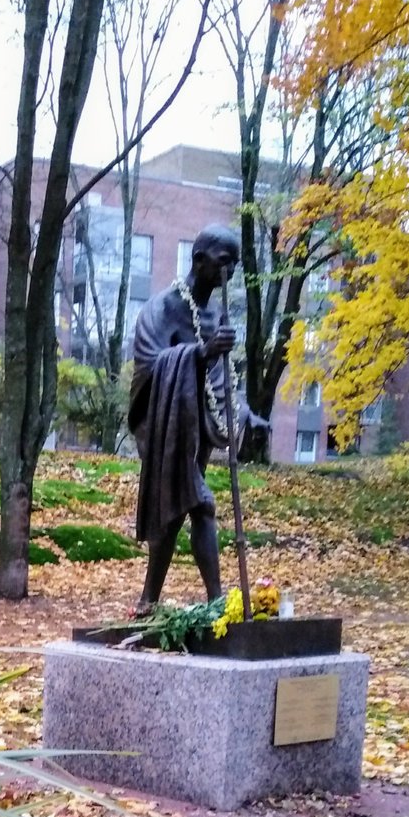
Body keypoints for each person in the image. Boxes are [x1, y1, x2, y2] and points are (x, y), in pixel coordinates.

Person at [127, 223, 264, 616]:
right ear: (199, 260)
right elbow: (150, 365)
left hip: (198, 428)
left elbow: (222, 379)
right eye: (223, 262)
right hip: (167, 429)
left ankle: (147, 602)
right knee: (200, 503)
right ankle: (217, 601)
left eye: (235, 263)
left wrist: (244, 412)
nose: (230, 271)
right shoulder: (164, 307)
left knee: (174, 514)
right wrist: (200, 353)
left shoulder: (216, 313)